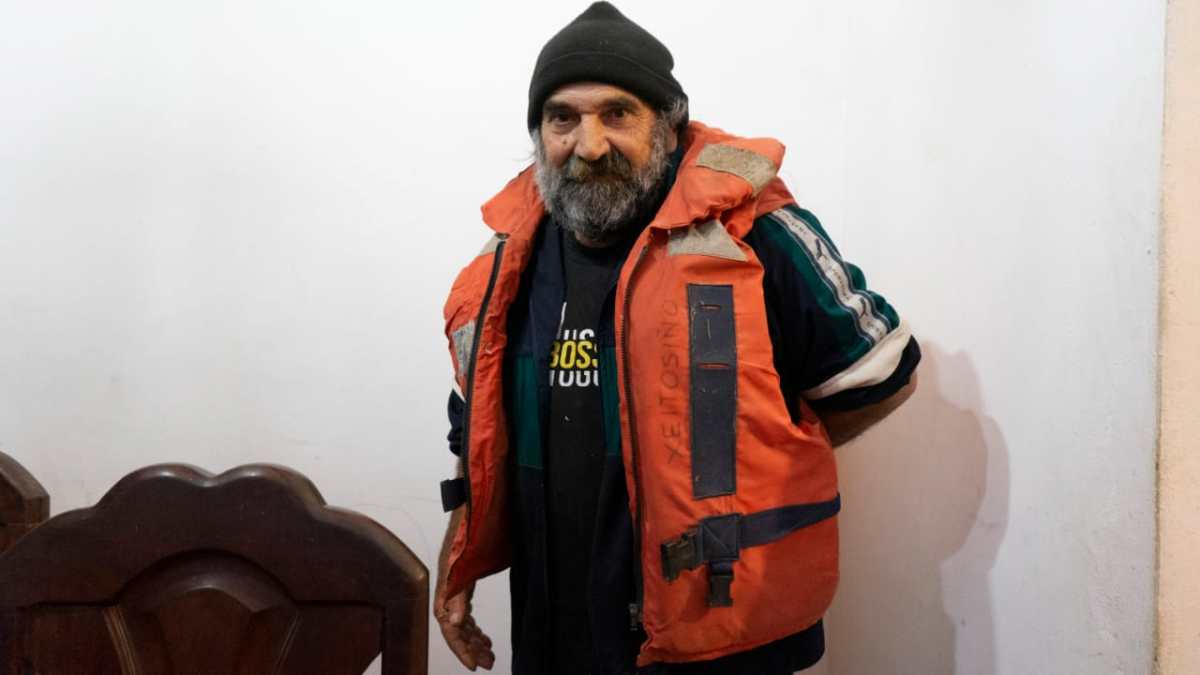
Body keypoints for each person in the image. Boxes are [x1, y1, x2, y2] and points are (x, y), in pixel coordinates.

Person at [433, 3, 920, 673]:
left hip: (722, 643)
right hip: (553, 636)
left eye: (618, 113)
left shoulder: (750, 232)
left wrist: (759, 455)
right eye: (562, 118)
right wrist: (455, 556)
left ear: (668, 124)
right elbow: (476, 431)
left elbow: (882, 373)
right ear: (539, 134)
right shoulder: (503, 266)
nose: (589, 144)